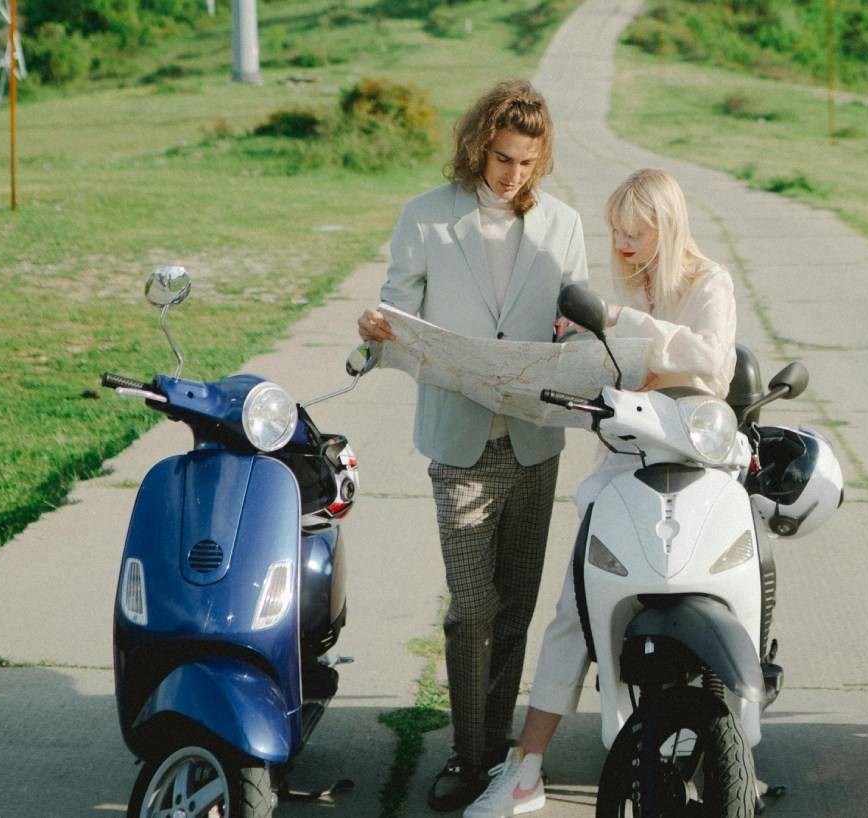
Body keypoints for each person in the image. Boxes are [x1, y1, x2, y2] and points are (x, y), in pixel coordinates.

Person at [465, 168, 738, 818]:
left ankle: (737, 742)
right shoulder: (638, 284)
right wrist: (584, 343)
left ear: (665, 229)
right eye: (615, 232)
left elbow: (716, 363)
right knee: (573, 609)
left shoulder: (710, 283)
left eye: (633, 234)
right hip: (623, 463)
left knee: (726, 586)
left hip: (694, 461)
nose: (619, 246)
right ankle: (526, 767)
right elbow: (624, 371)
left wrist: (624, 321)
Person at [355, 78, 588, 812]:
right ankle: (467, 753)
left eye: (525, 161)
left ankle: (497, 755)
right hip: (459, 444)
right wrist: (375, 334)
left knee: (516, 608)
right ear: (477, 145)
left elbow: (576, 315)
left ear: (540, 160)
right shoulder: (425, 218)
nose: (511, 173)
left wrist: (575, 335)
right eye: (500, 156)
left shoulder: (564, 226)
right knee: (472, 606)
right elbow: (399, 309)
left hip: (533, 443)